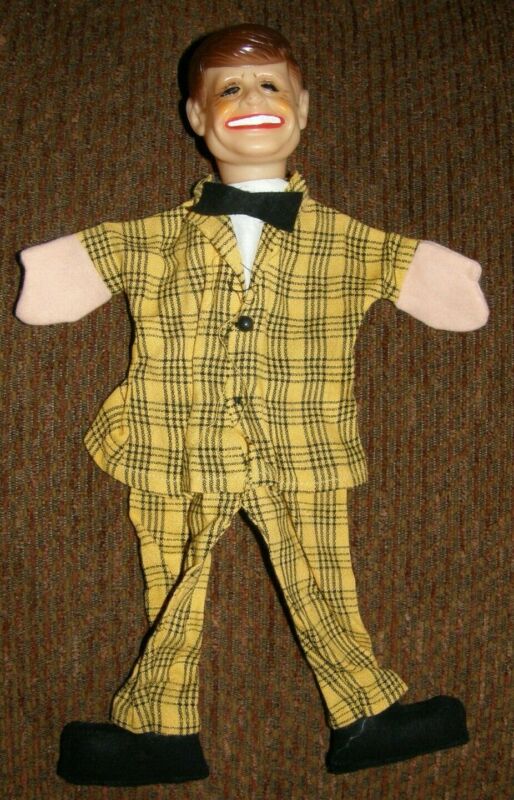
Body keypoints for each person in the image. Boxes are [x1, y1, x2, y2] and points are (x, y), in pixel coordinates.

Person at [15, 24, 488, 787]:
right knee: (173, 579)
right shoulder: (154, 239)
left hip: (300, 443)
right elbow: (55, 289)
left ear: (304, 106)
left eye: (270, 84)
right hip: (174, 441)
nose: (251, 99)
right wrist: (55, 269)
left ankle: (366, 715)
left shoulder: (347, 242)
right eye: (229, 88)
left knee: (322, 575)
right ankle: (161, 732)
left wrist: (443, 274)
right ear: (196, 117)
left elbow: (452, 300)